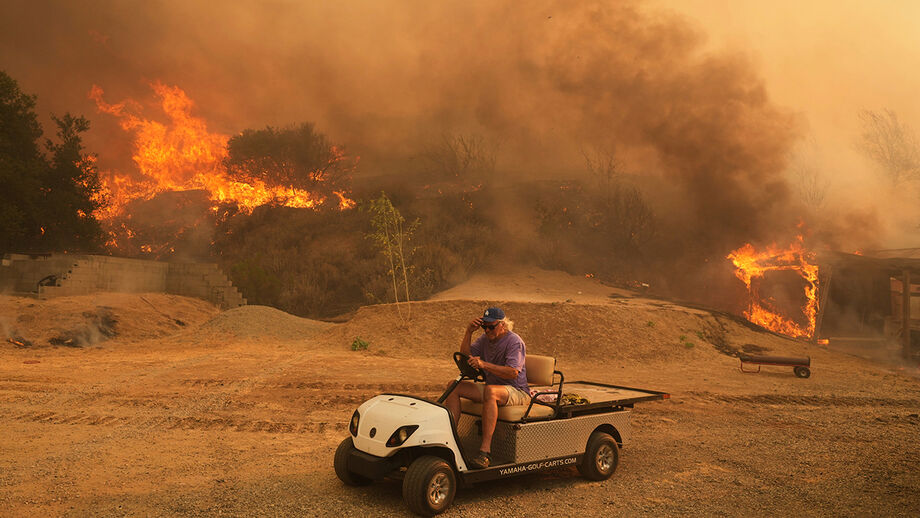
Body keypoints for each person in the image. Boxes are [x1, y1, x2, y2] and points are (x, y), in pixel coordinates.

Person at [444, 307, 530, 469]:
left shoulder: (514, 341)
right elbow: (465, 356)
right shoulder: (485, 339)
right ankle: (449, 438)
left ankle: (485, 452)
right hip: (494, 387)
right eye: (485, 327)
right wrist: (468, 332)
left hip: (517, 390)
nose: (487, 330)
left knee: (491, 391)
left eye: (491, 326)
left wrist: (484, 364)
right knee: (453, 386)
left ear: (503, 325)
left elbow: (513, 372)